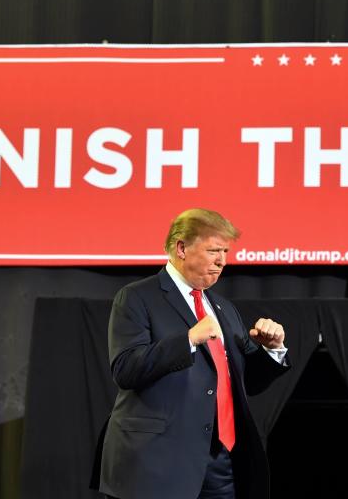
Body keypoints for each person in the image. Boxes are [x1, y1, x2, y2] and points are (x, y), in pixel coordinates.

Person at [94, 208, 289, 499]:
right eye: (213, 250)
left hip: (220, 462)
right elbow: (125, 369)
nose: (222, 261)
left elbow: (248, 381)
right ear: (181, 248)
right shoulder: (137, 297)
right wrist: (188, 339)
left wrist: (272, 350)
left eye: (225, 251)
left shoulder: (223, 307)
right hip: (159, 463)